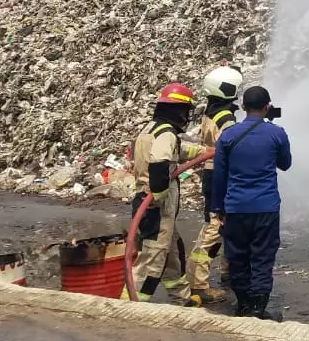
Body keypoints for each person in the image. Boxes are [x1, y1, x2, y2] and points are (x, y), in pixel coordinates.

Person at [211, 85, 291, 321]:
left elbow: (219, 175)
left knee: (237, 257)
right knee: (262, 258)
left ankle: (243, 306)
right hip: (266, 207)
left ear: (243, 107)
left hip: (235, 207)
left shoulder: (227, 136)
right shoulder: (277, 133)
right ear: (267, 107)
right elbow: (285, 164)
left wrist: (218, 208)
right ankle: (258, 309)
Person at [122, 83, 204, 303]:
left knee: (173, 254)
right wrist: (158, 196)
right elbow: (159, 163)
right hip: (155, 207)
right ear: (179, 111)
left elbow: (178, 150)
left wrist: (208, 152)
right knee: (152, 262)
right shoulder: (166, 133)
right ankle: (130, 306)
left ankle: (182, 299)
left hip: (153, 206)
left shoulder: (152, 129)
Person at [184, 65, 243, 307]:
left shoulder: (212, 110)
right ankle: (199, 284)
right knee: (215, 228)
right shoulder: (226, 118)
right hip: (221, 176)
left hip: (212, 174)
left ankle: (228, 272)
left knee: (226, 225)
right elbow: (232, 150)